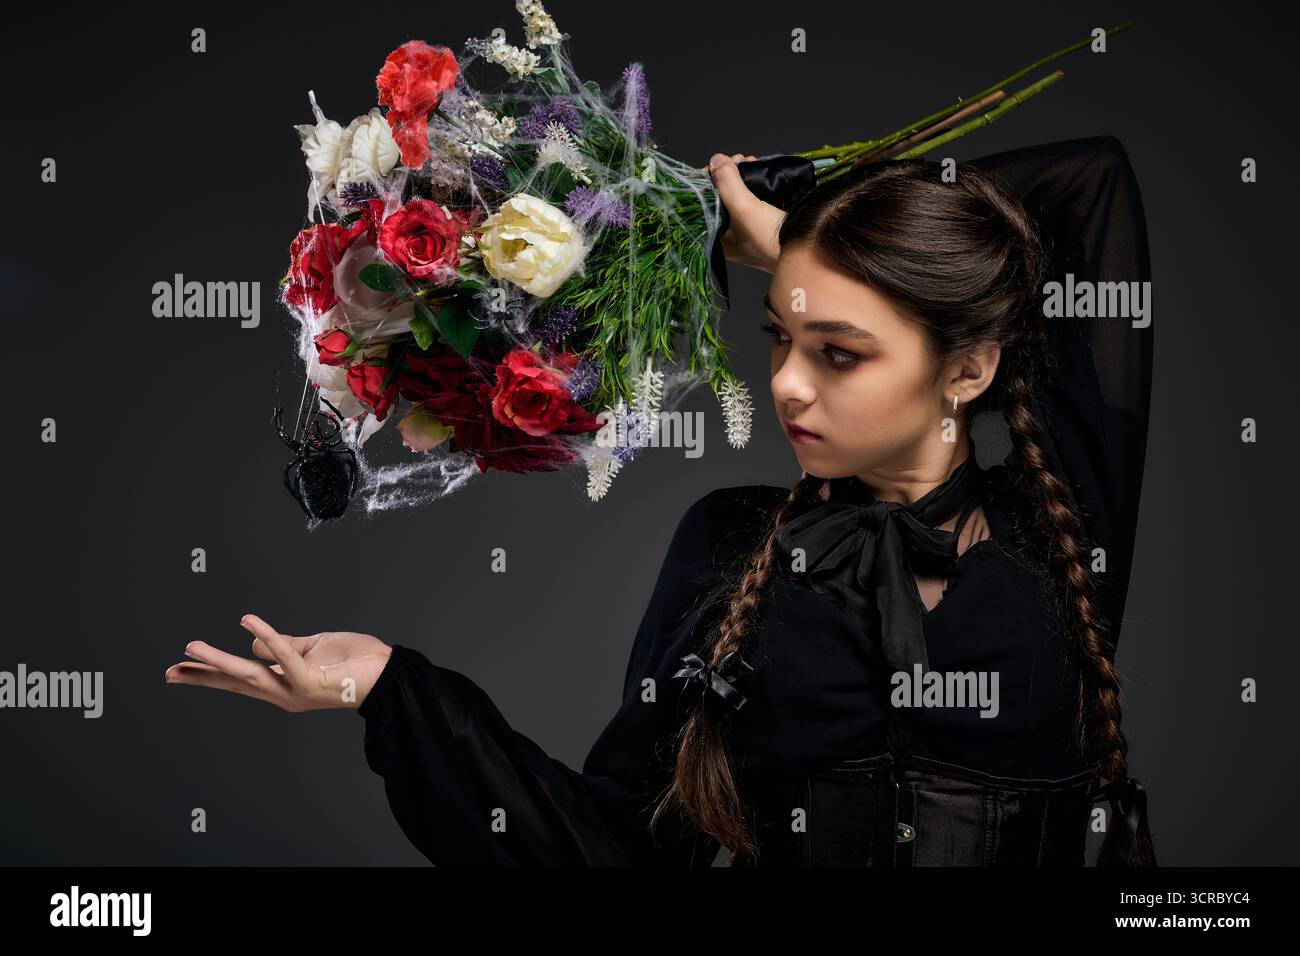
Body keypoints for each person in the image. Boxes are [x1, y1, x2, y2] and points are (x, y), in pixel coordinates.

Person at [164, 135, 1156, 867]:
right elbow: (611, 854)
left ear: (969, 368)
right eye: (780, 337)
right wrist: (389, 686)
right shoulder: (730, 543)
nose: (787, 384)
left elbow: (1090, 184)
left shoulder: (1058, 528)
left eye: (839, 352)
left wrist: (802, 228)